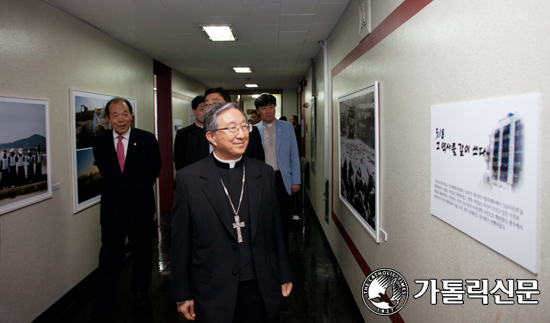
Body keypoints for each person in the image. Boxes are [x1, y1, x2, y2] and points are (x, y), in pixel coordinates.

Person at [171, 102, 292, 323]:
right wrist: (182, 293)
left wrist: (284, 273)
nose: (241, 134)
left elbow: (276, 228)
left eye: (244, 127)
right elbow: (180, 243)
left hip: (259, 285)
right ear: (211, 137)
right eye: (231, 128)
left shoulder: (263, 173)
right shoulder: (189, 179)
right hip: (211, 291)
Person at [90, 98, 162, 321]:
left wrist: (137, 189)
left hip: (139, 207)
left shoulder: (147, 139)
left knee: (142, 253)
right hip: (112, 209)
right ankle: (104, 300)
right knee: (109, 255)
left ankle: (140, 290)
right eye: (115, 115)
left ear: (131, 114)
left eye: (124, 114)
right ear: (108, 118)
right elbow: (105, 170)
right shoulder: (100, 142)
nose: (120, 119)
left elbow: (155, 168)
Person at [254, 94, 301, 247]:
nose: (268, 111)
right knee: (264, 214)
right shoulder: (253, 130)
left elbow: (294, 155)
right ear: (258, 111)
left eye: (271, 107)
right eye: (264, 108)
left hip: (282, 178)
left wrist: (296, 181)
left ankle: (283, 249)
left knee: (283, 216)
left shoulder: (287, 127)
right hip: (262, 179)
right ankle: (267, 248)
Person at [184, 87, 264, 167]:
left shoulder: (249, 133)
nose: (209, 107)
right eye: (206, 104)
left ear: (228, 105)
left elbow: (259, 166)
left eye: (215, 103)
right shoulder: (193, 138)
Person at [173, 95, 204, 171]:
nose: (206, 112)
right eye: (202, 109)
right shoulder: (183, 134)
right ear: (194, 112)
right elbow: (179, 162)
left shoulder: (216, 132)